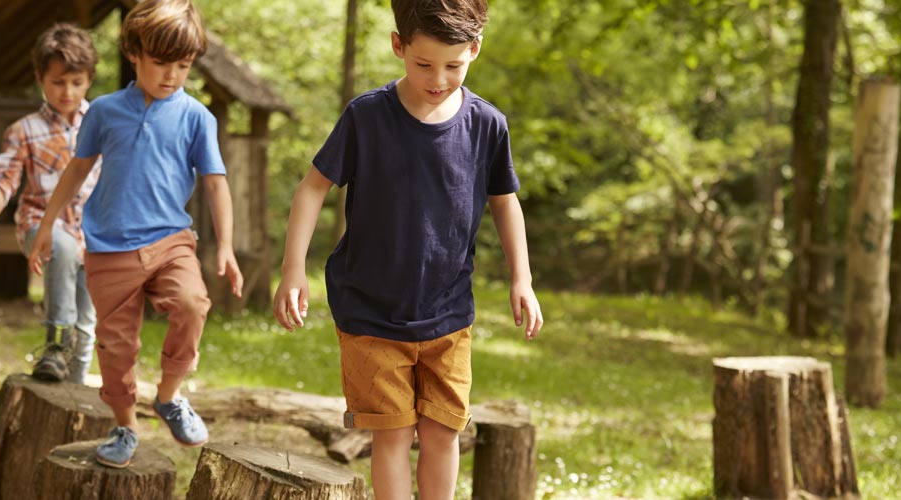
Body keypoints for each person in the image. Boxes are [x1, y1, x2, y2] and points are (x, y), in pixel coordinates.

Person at [272, 0, 543, 497]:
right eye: (423, 64)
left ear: (475, 49)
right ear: (398, 46)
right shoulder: (367, 116)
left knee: (444, 432)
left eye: (453, 66)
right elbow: (313, 188)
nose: (438, 78)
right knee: (392, 433)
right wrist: (293, 270)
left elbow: (505, 203)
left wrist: (521, 277)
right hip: (371, 314)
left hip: (448, 314)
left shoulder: (487, 125)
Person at [27, 0, 242, 469]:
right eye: (161, 63)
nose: (171, 75)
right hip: (108, 248)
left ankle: (169, 395)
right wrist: (47, 225)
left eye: (183, 65)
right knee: (116, 345)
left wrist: (225, 244)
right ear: (134, 53)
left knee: (192, 303)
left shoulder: (196, 118)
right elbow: (77, 167)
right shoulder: (103, 111)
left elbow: (214, 182)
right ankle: (125, 425)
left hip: (170, 242)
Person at [0, 22, 101, 385]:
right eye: (58, 82)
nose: (67, 92)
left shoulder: (103, 123)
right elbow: (3, 180)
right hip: (41, 226)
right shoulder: (24, 130)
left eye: (76, 83)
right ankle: (55, 344)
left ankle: (74, 385)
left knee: (88, 318)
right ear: (40, 78)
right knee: (59, 246)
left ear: (89, 79)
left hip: (93, 235)